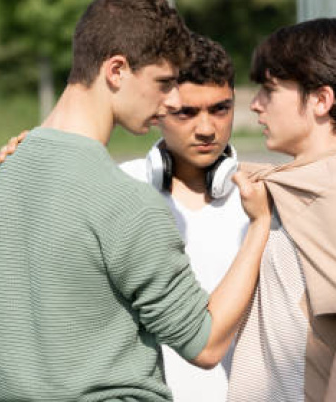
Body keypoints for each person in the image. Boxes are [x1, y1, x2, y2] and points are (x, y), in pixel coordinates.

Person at [0, 0, 272, 401]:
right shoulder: (125, 201)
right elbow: (206, 342)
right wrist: (260, 227)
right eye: (163, 83)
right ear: (116, 71)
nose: (167, 102)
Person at [227, 18, 336, 401]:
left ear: (321, 100)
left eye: (270, 90)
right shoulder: (306, 183)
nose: (256, 104)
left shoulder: (335, 192)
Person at [119, 33, 248, 401]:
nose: (207, 129)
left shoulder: (262, 199)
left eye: (220, 109)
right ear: (158, 109)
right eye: (186, 112)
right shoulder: (120, 188)